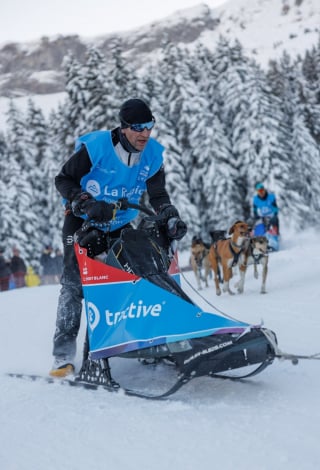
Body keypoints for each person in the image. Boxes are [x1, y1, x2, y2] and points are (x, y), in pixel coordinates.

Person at [50, 98, 187, 377]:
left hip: (120, 222)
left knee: (135, 278)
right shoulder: (97, 147)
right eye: (138, 128)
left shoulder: (151, 155)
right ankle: (62, 356)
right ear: (124, 128)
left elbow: (157, 194)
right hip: (82, 220)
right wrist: (84, 201)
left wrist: (169, 215)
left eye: (149, 126)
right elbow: (63, 179)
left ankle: (147, 342)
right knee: (75, 285)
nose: (145, 134)